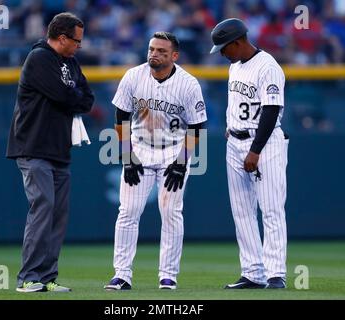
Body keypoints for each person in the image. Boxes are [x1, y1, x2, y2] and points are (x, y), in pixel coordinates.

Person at [104, 31, 207, 290]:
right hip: (139, 149)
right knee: (127, 212)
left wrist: (182, 162)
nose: (154, 54)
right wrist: (127, 156)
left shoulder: (188, 83)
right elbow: (120, 117)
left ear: (174, 56)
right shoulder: (133, 76)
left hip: (173, 151)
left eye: (161, 51)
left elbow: (197, 125)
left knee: (171, 213)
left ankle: (168, 276)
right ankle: (122, 275)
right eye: (152, 49)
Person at [6, 12, 94, 293]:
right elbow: (65, 96)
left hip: (59, 149)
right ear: (62, 37)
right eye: (76, 41)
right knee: (42, 208)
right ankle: (28, 277)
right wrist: (73, 96)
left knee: (57, 214)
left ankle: (46, 277)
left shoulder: (70, 62)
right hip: (33, 147)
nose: (79, 46)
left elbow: (87, 99)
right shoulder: (40, 58)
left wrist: (74, 96)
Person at [210, 18, 289, 289]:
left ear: (238, 42)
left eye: (224, 47)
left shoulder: (268, 66)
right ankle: (253, 272)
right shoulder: (235, 66)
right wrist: (233, 127)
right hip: (235, 143)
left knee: (271, 208)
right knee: (242, 212)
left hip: (264, 143)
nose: (221, 53)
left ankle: (275, 272)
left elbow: (270, 110)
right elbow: (241, 104)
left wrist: (254, 150)